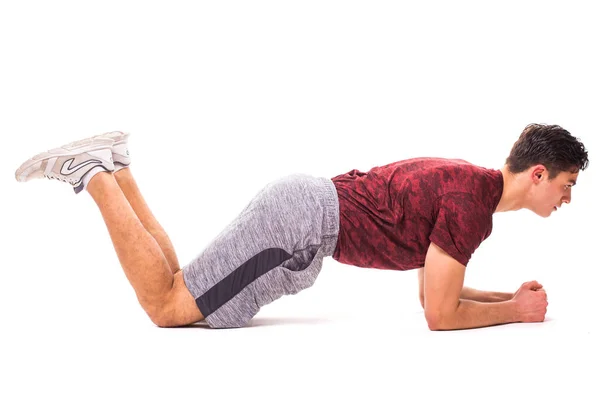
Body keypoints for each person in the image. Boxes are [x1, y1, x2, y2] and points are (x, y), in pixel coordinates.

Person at [14, 124, 589, 330]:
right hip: (300, 226)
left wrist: (503, 297)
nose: (567, 197)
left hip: (301, 218)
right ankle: (91, 174)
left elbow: (432, 288)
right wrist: (513, 313)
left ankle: (117, 164)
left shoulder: (471, 187)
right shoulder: (471, 206)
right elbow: (440, 316)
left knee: (180, 284)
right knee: (168, 306)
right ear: (538, 173)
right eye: (566, 183)